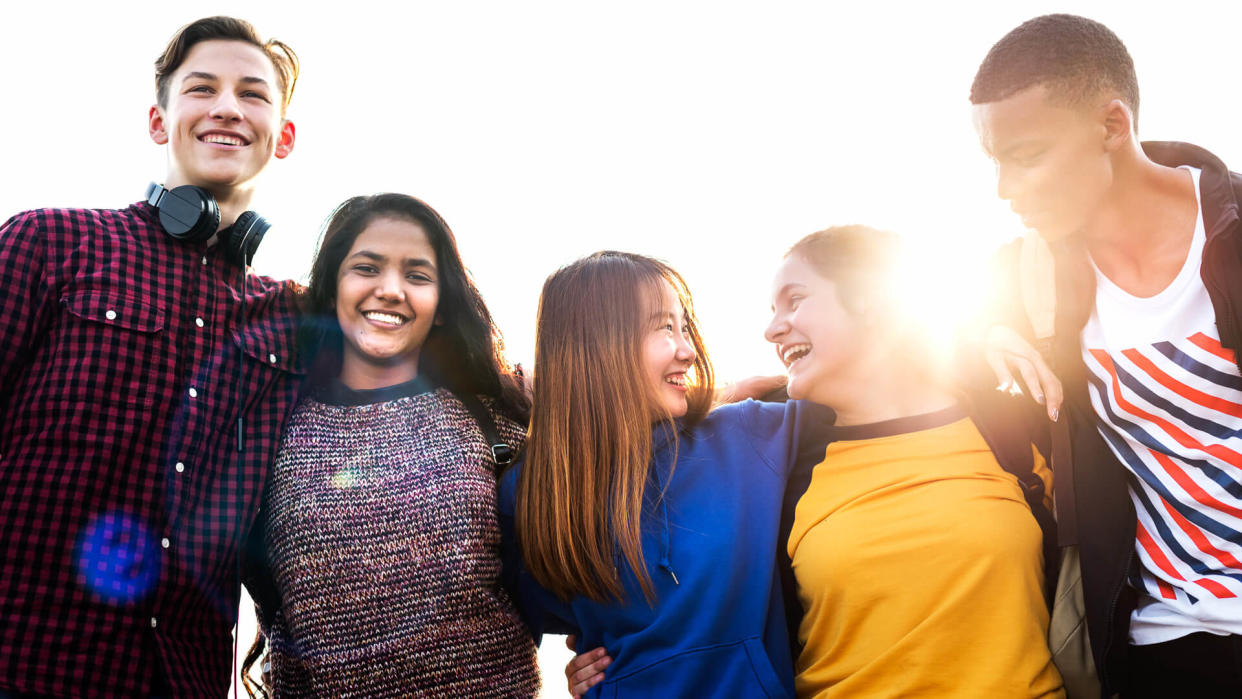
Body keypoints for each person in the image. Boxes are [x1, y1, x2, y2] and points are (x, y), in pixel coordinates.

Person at [0, 17, 301, 697]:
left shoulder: (296, 319)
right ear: (159, 122)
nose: (227, 107)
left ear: (282, 136)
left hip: (182, 682)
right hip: (22, 665)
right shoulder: (49, 243)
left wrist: (597, 630)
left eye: (253, 94)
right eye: (203, 89)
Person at [971, 14, 1242, 697]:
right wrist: (979, 335)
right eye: (995, 160)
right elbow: (907, 336)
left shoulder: (1232, 233)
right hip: (1170, 646)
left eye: (1027, 154)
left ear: (1112, 126)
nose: (1005, 187)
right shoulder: (1028, 281)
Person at [242, 193, 542, 696]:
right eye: (367, 268)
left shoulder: (493, 417)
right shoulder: (271, 425)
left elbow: (613, 462)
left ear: (443, 306)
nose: (390, 290)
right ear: (333, 286)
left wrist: (605, 638)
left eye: (417, 276)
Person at [499, 251, 829, 698]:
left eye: (684, 327)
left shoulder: (746, 435)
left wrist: (725, 391)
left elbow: (864, 392)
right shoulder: (534, 490)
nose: (688, 350)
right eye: (664, 328)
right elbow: (546, 621)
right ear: (600, 344)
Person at [767, 226, 1063, 697]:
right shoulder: (776, 461)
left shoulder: (1008, 424)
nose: (772, 329)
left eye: (795, 300)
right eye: (773, 311)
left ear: (868, 297)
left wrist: (984, 332)